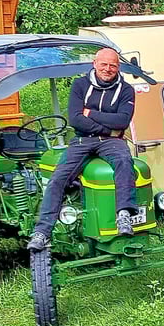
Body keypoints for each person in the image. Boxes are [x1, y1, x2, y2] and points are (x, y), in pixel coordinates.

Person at [27, 48, 138, 251]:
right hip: (83, 140)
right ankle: (42, 232)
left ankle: (123, 216)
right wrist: (107, 129)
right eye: (103, 64)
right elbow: (76, 119)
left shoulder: (126, 90)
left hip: (113, 142)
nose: (108, 69)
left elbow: (123, 120)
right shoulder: (80, 85)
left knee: (124, 162)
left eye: (112, 65)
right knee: (59, 177)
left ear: (118, 67)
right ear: (94, 64)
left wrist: (91, 114)